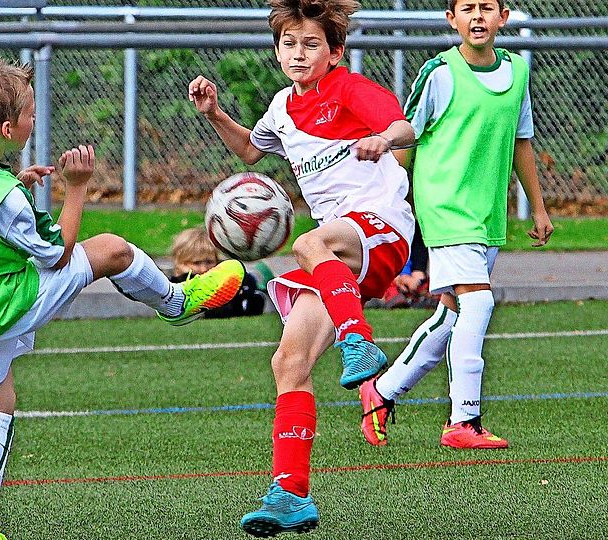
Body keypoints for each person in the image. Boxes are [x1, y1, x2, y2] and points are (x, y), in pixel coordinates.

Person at [0, 58, 245, 540]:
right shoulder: (3, 198)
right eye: (29, 112)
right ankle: (176, 302)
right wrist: (76, 187)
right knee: (110, 250)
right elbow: (56, 254)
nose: (34, 118)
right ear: (8, 128)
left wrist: (11, 185)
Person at [189, 0, 416, 535]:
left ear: (334, 51)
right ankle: (290, 494)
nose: (298, 53)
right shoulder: (282, 107)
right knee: (288, 361)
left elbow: (405, 126)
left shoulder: (351, 89)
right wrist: (215, 113)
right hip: (338, 258)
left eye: (311, 43)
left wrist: (383, 139)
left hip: (380, 228)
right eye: (289, 43)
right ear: (277, 50)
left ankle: (359, 340)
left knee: (309, 242)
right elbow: (250, 151)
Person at [357, 0, 554, 449]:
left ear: (505, 16)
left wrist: (538, 207)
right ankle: (463, 420)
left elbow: (522, 141)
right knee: (479, 305)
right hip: (445, 208)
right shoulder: (440, 72)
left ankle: (382, 391)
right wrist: (386, 174)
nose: (478, 17)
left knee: (451, 313)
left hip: (486, 214)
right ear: (453, 19)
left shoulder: (517, 74)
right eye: (468, 8)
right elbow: (408, 133)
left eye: (488, 8)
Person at [168, 226, 270, 318]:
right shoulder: (172, 288)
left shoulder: (225, 280)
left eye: (209, 262)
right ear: (180, 263)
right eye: (196, 263)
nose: (204, 269)